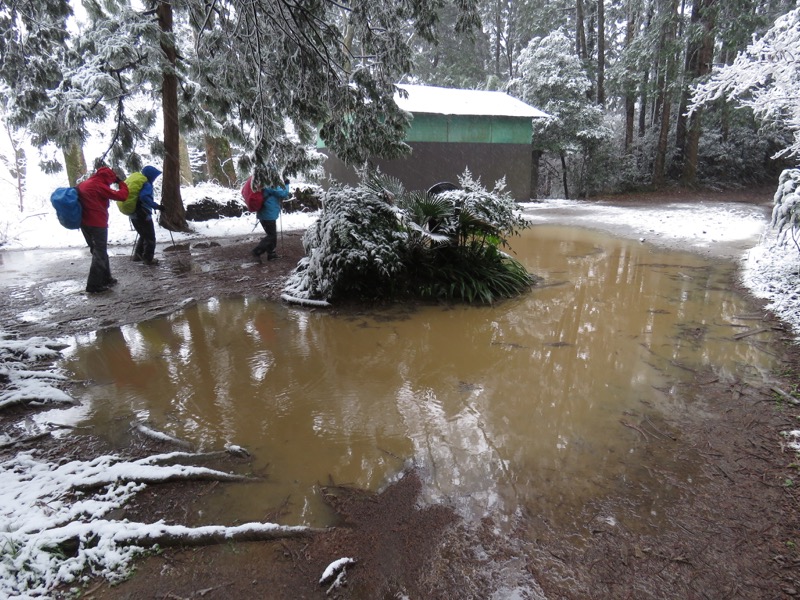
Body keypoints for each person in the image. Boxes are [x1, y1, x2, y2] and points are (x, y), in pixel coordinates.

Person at [76, 165, 129, 293]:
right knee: (99, 253)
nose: (111, 182)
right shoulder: (99, 186)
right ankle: (93, 285)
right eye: (111, 180)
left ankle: (106, 278)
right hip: (97, 223)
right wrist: (121, 183)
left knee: (97, 251)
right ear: (108, 178)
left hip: (84, 223)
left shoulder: (84, 184)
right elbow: (122, 196)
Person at [251, 172, 290, 261]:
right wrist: (287, 184)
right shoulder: (271, 185)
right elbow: (283, 194)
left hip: (263, 214)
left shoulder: (261, 184)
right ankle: (257, 251)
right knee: (271, 236)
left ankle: (271, 253)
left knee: (272, 235)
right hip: (269, 214)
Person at [130, 165, 163, 265]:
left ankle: (138, 255)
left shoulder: (140, 184)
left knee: (143, 234)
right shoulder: (146, 184)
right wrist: (156, 206)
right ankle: (148, 259)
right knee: (150, 237)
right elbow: (144, 197)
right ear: (151, 176)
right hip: (143, 214)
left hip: (134, 213)